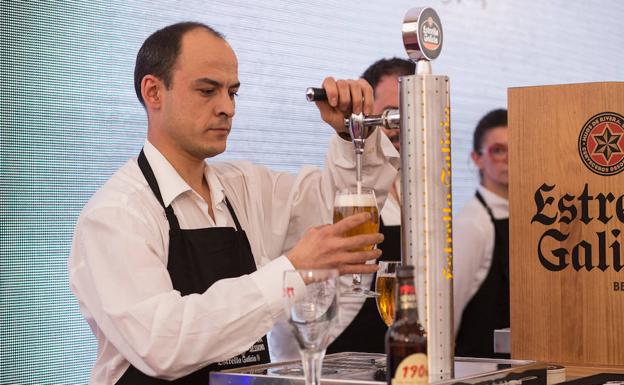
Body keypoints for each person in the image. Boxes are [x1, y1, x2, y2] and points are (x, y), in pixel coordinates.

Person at [68, 22, 399, 384]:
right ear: (154, 92)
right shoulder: (117, 213)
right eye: (207, 90)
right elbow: (163, 345)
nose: (227, 108)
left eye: (232, 92)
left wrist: (352, 134)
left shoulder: (245, 188)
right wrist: (293, 269)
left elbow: (336, 212)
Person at [268, 58, 414, 361]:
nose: (398, 126)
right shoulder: (341, 185)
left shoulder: (426, 199)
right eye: (389, 115)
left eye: (408, 115)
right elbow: (297, 312)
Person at [453, 108, 509, 358]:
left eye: (517, 146)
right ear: (477, 158)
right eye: (498, 150)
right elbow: (446, 315)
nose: (510, 157)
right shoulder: (471, 224)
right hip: (481, 370)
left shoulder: (534, 218)